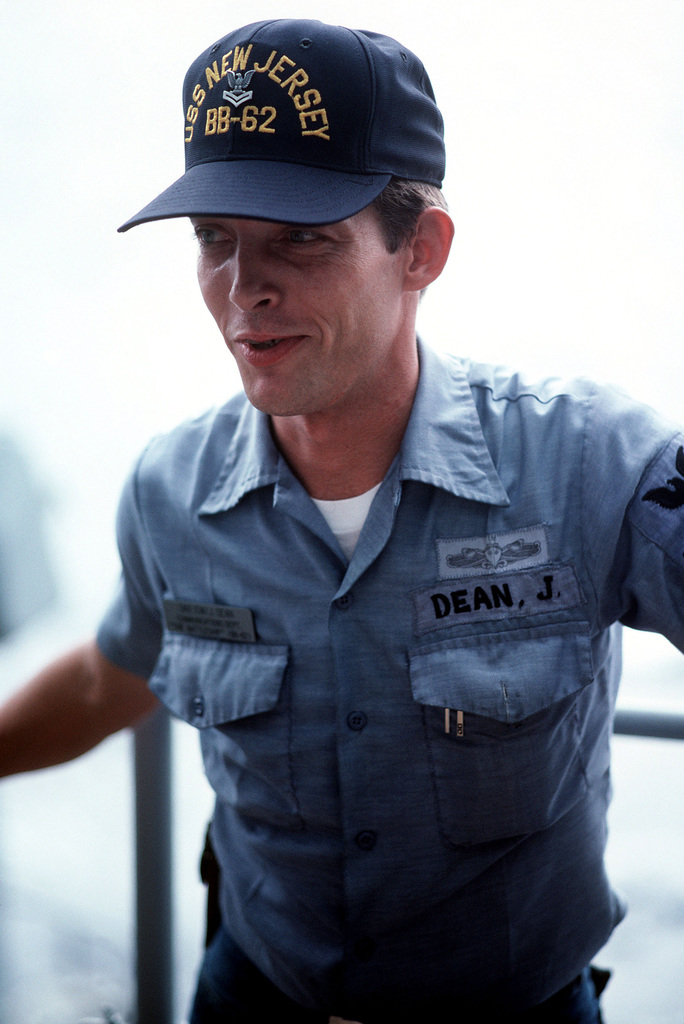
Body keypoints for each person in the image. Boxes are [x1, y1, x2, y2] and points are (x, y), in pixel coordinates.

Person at [1, 18, 682, 1023]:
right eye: (214, 239)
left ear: (424, 248)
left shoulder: (590, 463)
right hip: (251, 994)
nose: (244, 290)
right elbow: (116, 672)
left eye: (301, 240)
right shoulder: (169, 491)